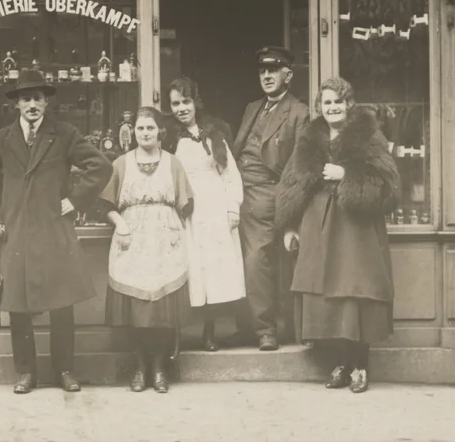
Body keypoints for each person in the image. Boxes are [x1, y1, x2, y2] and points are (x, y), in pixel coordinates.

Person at [0, 69, 113, 395]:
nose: (31, 104)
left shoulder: (64, 134)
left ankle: (65, 370)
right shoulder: (1, 140)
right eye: (25, 98)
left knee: (62, 305)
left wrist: (75, 200)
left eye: (37, 98)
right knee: (18, 306)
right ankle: (26, 373)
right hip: (16, 232)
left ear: (46, 101)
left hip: (54, 231)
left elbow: (100, 166)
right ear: (16, 104)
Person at [275, 77, 398, 394]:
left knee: (356, 296)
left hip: (357, 230)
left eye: (337, 102)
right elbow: (292, 183)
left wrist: (347, 175)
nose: (332, 108)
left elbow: (389, 186)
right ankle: (341, 364)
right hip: (318, 225)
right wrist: (289, 225)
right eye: (326, 103)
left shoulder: (368, 135)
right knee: (328, 300)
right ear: (320, 107)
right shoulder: (310, 137)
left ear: (348, 104)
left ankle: (360, 367)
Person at [97, 106, 194, 393]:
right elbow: (105, 205)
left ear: (160, 131)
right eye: (140, 128)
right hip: (132, 240)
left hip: (164, 240)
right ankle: (140, 367)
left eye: (150, 128)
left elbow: (187, 204)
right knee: (137, 310)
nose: (145, 133)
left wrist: (169, 223)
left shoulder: (173, 163)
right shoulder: (121, 163)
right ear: (132, 132)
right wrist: (120, 223)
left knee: (162, 311)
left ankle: (160, 368)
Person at [232, 46, 309, 351]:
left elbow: (300, 167)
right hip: (238, 194)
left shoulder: (299, 113)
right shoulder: (252, 108)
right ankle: (246, 327)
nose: (266, 76)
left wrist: (289, 213)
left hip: (268, 196)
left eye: (273, 70)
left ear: (287, 75)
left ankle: (266, 330)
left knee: (256, 262)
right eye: (262, 71)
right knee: (234, 262)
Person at [164, 77, 245, 352]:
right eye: (175, 103)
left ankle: (209, 331)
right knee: (188, 269)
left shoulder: (214, 134)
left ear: (196, 103)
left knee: (213, 270)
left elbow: (229, 173)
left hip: (214, 209)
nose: (181, 108)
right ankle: (175, 335)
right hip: (185, 210)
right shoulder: (170, 137)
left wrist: (233, 207)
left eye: (186, 102)